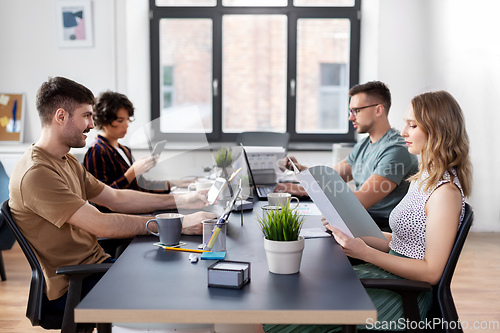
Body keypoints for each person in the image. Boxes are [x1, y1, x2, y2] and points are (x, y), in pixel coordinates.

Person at [263, 90, 473, 332]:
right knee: (291, 295)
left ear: (438, 131)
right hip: (386, 274)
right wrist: (358, 236)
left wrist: (365, 253)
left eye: (412, 125)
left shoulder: (445, 193)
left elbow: (432, 272)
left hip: (399, 294)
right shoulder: (423, 178)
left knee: (276, 317)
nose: (403, 131)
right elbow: (409, 243)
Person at [8, 77, 216, 316]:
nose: (91, 124)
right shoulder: (37, 173)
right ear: (61, 116)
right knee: (180, 283)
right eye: (86, 116)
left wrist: (178, 201)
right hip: (75, 285)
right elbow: (102, 225)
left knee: (179, 268)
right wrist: (177, 224)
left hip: (98, 267)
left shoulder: (65, 161)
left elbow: (116, 198)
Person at [278, 81, 418, 231]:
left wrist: (299, 189)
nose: (351, 117)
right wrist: (300, 169)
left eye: (356, 110)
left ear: (378, 110)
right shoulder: (364, 144)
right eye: (350, 111)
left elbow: (358, 202)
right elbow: (330, 177)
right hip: (361, 221)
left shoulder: (396, 149)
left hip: (380, 230)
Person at [83, 91, 192, 212]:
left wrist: (173, 184)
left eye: (128, 119)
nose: (126, 125)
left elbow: (141, 188)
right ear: (103, 121)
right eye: (120, 120)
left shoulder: (124, 149)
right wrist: (131, 173)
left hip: (136, 210)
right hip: (120, 218)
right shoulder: (97, 151)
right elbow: (100, 200)